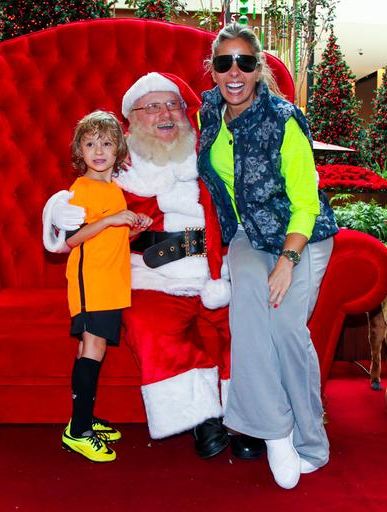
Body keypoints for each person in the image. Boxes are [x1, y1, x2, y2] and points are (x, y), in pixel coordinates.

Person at [43, 73, 266, 461]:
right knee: (154, 332)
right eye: (153, 106)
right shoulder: (119, 168)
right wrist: (58, 211)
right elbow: (77, 201)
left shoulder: (211, 155)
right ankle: (203, 418)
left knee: (245, 331)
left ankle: (246, 418)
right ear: (131, 119)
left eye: (173, 104)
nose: (165, 113)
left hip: (218, 275)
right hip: (154, 277)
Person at [197, 23, 338, 489]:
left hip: (301, 238)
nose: (233, 72)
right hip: (246, 238)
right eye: (224, 62)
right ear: (213, 70)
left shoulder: (284, 118)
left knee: (284, 326)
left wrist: (287, 259)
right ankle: (275, 430)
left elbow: (307, 199)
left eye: (244, 62)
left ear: (259, 69)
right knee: (250, 317)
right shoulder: (207, 113)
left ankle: (312, 441)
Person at [60, 110, 152, 463]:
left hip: (111, 279)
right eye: (90, 143)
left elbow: (108, 238)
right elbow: (72, 240)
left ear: (119, 151)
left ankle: (82, 418)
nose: (98, 150)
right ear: (79, 150)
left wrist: (132, 231)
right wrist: (112, 219)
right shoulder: (80, 190)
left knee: (91, 347)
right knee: (93, 347)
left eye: (107, 143)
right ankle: (79, 431)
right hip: (91, 282)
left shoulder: (111, 188)